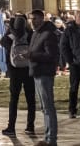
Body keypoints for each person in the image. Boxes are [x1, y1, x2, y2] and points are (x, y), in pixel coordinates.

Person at [1, 14, 37, 138]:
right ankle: (30, 126)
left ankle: (11, 127)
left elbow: (2, 42)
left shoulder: (10, 37)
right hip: (28, 70)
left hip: (15, 71)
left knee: (14, 99)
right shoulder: (30, 34)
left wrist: (10, 28)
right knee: (30, 99)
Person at [28, 9, 59, 146]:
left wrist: (31, 55)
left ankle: (51, 139)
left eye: (34, 18)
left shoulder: (48, 34)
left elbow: (51, 55)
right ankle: (47, 138)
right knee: (44, 107)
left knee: (48, 107)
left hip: (44, 73)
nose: (32, 21)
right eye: (31, 19)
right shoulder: (36, 33)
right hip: (37, 72)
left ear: (41, 19)